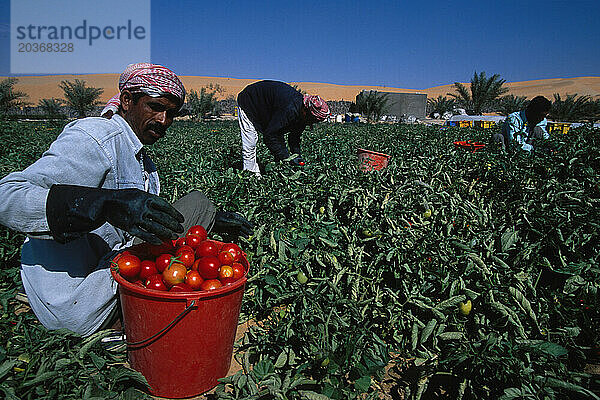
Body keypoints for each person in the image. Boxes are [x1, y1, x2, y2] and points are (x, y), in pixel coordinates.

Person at [0, 63, 253, 336]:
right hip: (79, 302)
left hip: (109, 271)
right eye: (155, 107)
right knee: (199, 205)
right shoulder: (95, 138)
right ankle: (124, 321)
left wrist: (212, 219)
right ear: (127, 100)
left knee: (199, 205)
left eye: (171, 113)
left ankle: (130, 309)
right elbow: (7, 196)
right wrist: (103, 204)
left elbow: (137, 215)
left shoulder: (141, 157)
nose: (164, 120)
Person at [236, 80, 330, 175]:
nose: (312, 123)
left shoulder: (303, 112)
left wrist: (296, 156)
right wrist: (285, 158)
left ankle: (277, 170)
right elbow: (270, 135)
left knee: (277, 135)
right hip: (250, 101)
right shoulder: (290, 109)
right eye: (313, 120)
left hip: (267, 109)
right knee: (250, 142)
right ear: (306, 112)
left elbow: (294, 137)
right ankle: (250, 176)